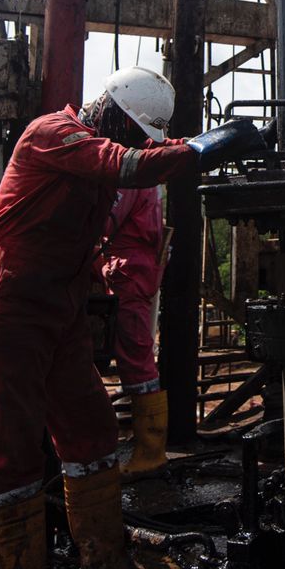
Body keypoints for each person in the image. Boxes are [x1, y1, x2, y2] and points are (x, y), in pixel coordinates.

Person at [0, 66, 263, 569]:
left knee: (91, 428)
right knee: (11, 447)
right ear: (107, 110)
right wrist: (211, 142)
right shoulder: (54, 132)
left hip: (63, 299)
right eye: (134, 129)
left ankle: (102, 563)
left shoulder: (104, 149)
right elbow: (127, 167)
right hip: (8, 297)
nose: (135, 140)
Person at [97, 185, 169, 477]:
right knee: (134, 355)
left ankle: (150, 452)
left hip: (129, 271)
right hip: (129, 267)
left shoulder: (131, 180)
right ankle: (146, 446)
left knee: (136, 359)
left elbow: (105, 222)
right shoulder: (146, 180)